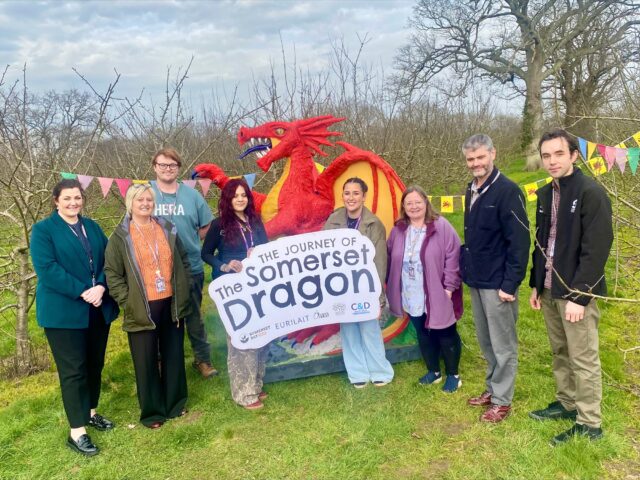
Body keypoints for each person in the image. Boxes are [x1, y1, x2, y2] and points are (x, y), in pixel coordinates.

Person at [528, 129, 613, 445]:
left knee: (583, 357)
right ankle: (567, 403)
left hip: (576, 293)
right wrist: (536, 284)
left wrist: (580, 295)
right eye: (546, 155)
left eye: (558, 154)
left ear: (574, 155)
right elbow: (541, 242)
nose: (551, 161)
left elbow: (597, 248)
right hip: (550, 289)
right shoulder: (545, 194)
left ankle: (590, 423)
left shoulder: (590, 192)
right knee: (560, 350)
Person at [30, 179, 119, 456]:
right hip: (64, 313)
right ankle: (77, 431)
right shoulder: (43, 230)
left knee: (94, 364)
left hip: (97, 307)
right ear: (56, 200)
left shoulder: (92, 226)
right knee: (73, 371)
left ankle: (90, 412)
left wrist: (101, 286)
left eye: (77, 197)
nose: (73, 203)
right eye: (67, 198)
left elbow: (109, 260)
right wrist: (83, 291)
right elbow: (47, 269)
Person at [105, 184, 191, 428]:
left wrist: (185, 286)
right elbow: (112, 273)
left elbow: (183, 260)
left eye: (149, 200)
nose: (145, 204)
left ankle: (175, 404)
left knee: (174, 355)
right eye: (139, 200)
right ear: (130, 203)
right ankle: (153, 412)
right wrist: (127, 301)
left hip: (171, 303)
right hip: (142, 307)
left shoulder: (167, 227)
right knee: (146, 361)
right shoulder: (120, 236)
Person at [460, 134, 530, 423]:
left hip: (499, 284)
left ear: (493, 154)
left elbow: (520, 242)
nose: (476, 163)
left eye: (480, 157)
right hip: (478, 279)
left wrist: (510, 284)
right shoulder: (471, 189)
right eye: (470, 159)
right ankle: (492, 388)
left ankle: (502, 401)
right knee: (486, 340)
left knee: (503, 344)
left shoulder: (508, 191)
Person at [386, 186, 463, 393]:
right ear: (403, 206)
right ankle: (434, 371)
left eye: (417, 202)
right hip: (411, 291)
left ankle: (453, 375)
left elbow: (453, 256)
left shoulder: (441, 226)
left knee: (445, 331)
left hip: (437, 290)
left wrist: (449, 286)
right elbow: (390, 256)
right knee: (422, 331)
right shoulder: (398, 230)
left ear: (426, 203)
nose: (414, 207)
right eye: (409, 203)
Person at [201, 179, 269, 409]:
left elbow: (267, 247)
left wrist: (258, 252)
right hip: (232, 288)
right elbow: (206, 253)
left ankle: (255, 384)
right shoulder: (219, 224)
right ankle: (243, 392)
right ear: (228, 199)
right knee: (240, 338)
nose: (240, 199)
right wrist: (224, 265)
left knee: (260, 334)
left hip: (256, 285)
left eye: (244, 195)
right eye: (235, 196)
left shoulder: (255, 221)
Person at [150, 147, 217, 378]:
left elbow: (207, 224)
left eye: (172, 165)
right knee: (159, 317)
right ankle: (161, 361)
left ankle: (203, 360)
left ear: (178, 168)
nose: (167, 169)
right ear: (155, 167)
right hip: (156, 270)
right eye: (162, 165)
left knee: (193, 315)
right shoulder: (145, 192)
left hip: (190, 266)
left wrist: (192, 239)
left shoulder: (192, 195)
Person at [324, 178, 394, 388]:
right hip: (342, 288)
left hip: (366, 287)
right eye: (347, 193)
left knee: (369, 329)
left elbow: (380, 262)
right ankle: (357, 374)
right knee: (349, 331)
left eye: (356, 193)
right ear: (342, 196)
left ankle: (380, 371)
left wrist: (378, 297)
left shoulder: (374, 224)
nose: (351, 197)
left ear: (364, 196)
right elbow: (323, 258)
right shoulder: (332, 221)